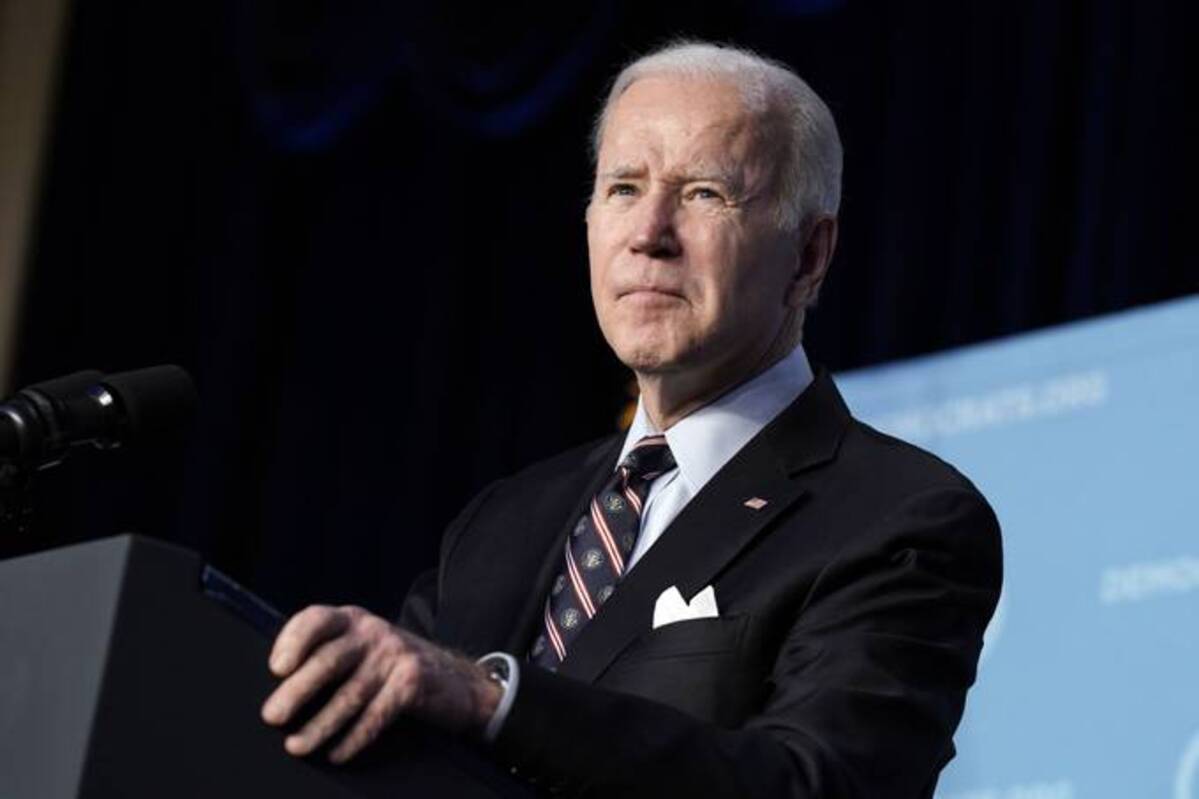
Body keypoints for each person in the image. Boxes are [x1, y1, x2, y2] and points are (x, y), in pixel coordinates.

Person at [261, 41, 1002, 798]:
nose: (648, 232)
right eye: (621, 188)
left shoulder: (899, 517)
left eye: (704, 193)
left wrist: (496, 700)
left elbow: (815, 783)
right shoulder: (502, 520)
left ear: (808, 256)